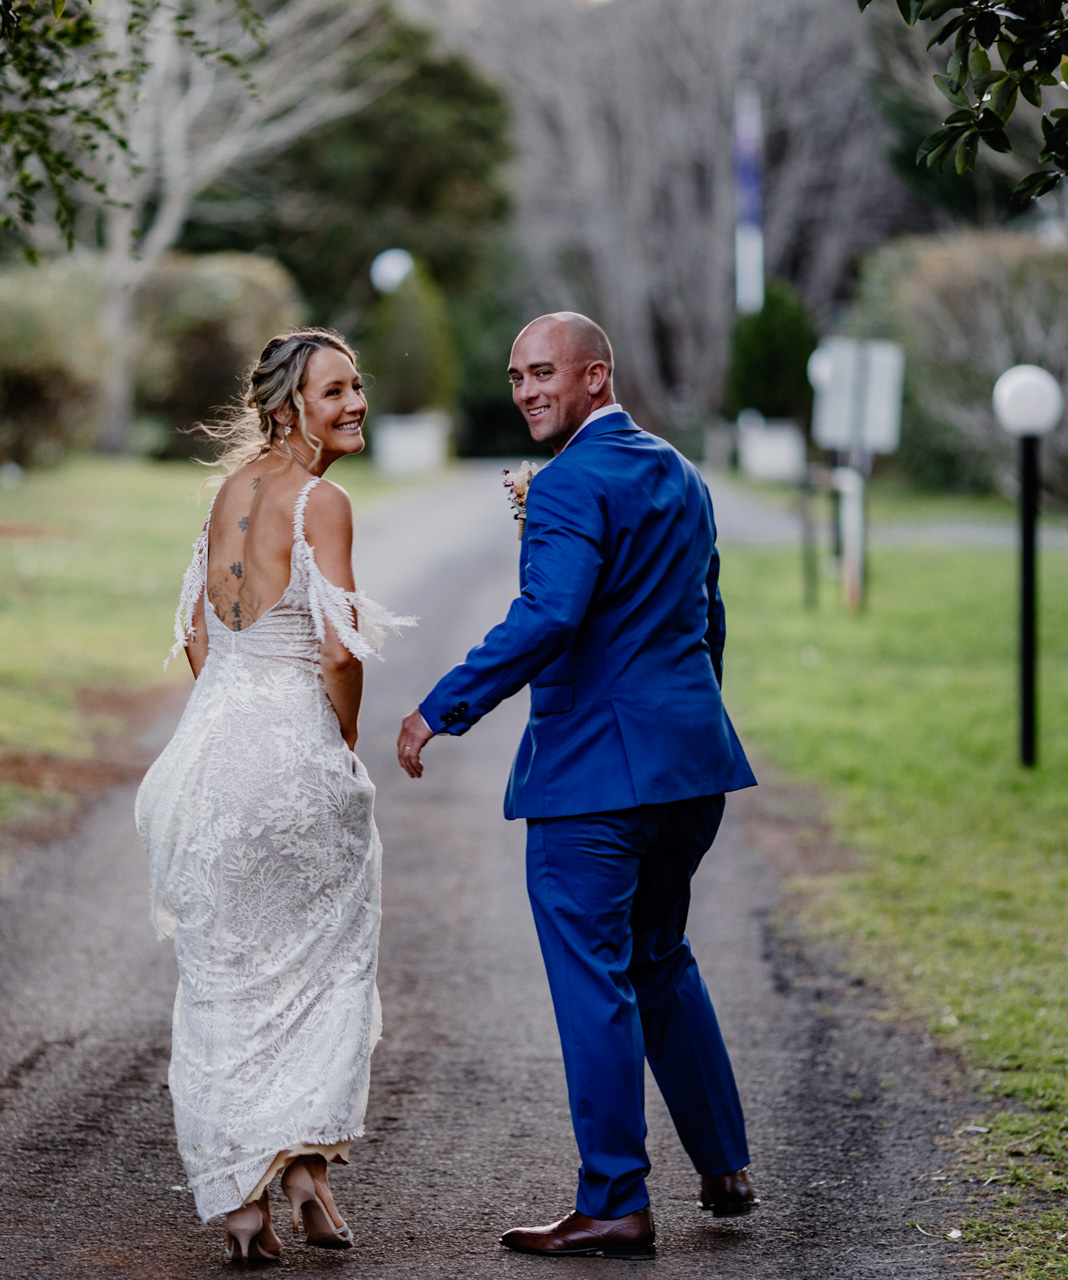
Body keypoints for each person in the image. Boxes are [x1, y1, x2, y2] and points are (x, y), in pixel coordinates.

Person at [395, 312, 758, 1260]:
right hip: (690, 769)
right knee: (659, 956)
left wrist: (443, 705)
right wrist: (686, 716)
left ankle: (615, 1201)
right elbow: (707, 615)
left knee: (595, 976)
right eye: (516, 376)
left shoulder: (565, 486)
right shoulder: (681, 474)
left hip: (594, 781)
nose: (525, 392)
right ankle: (724, 1164)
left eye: (543, 373)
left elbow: (550, 613)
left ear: (597, 376)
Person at [137, 328, 411, 1267]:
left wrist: (230, 718)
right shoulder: (322, 502)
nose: (356, 402)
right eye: (337, 390)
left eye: (358, 385)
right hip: (290, 754)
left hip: (211, 758)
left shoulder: (229, 495)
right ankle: (305, 1176)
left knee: (225, 977)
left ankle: (245, 1201)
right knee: (319, 971)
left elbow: (200, 639)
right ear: (291, 408)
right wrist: (339, 738)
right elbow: (338, 649)